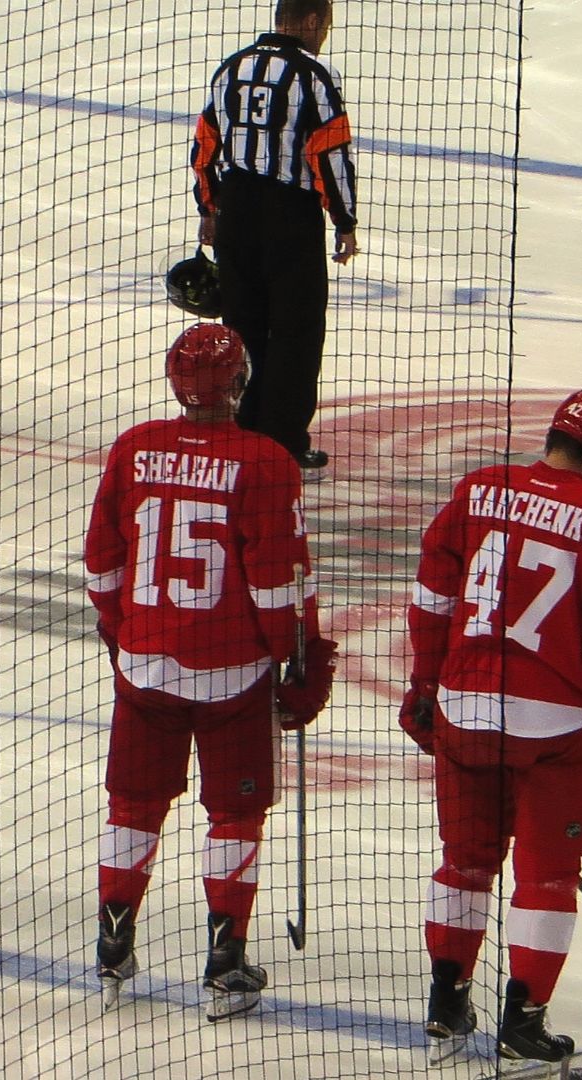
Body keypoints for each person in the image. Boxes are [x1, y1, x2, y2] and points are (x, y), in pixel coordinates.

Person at [83, 322, 338, 1020]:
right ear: (241, 382)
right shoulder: (265, 460)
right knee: (235, 812)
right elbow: (276, 583)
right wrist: (299, 659)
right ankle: (225, 964)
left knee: (133, 805)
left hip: (145, 661)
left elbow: (102, 560)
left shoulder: (135, 448)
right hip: (231, 673)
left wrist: (121, 633)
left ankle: (113, 944)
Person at [400, 389, 582, 1072]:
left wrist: (428, 685)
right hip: (555, 729)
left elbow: (431, 595)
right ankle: (526, 1021)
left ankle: (445, 1001)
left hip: (465, 708)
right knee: (547, 875)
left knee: (465, 863)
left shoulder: (480, 488)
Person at [190, 0, 358, 477]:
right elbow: (330, 155)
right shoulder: (314, 76)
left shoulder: (232, 68)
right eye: (324, 25)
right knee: (296, 331)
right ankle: (281, 443)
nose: (324, 35)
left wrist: (209, 207)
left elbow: (204, 144)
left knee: (241, 323)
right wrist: (344, 220)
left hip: (237, 211)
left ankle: (240, 429)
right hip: (290, 216)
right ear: (309, 21)